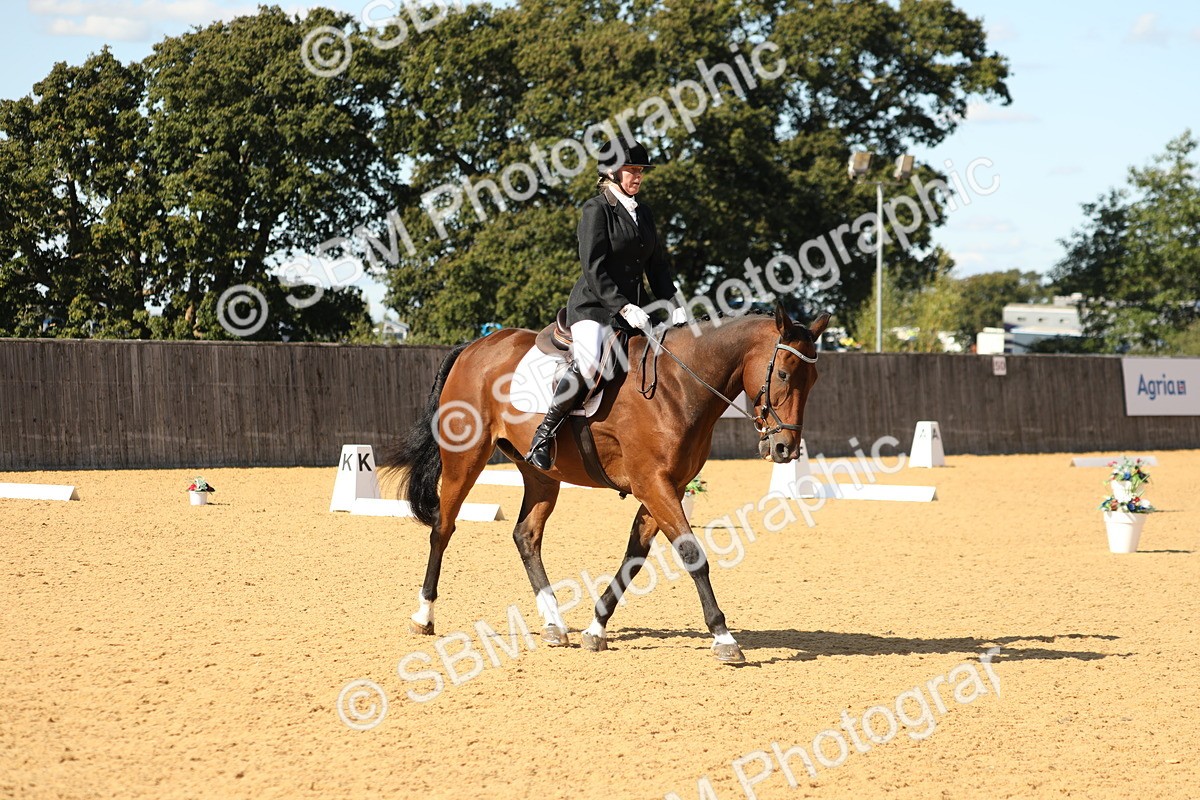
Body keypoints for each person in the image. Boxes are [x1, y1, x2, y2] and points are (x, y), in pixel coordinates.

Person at [524, 136, 687, 470]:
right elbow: (593, 267)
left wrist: (674, 303)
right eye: (630, 170)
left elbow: (657, 267)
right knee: (590, 364)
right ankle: (543, 435)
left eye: (640, 170)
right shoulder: (596, 209)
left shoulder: (644, 214)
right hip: (594, 309)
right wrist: (623, 306)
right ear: (612, 172)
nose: (637, 176)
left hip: (635, 313)